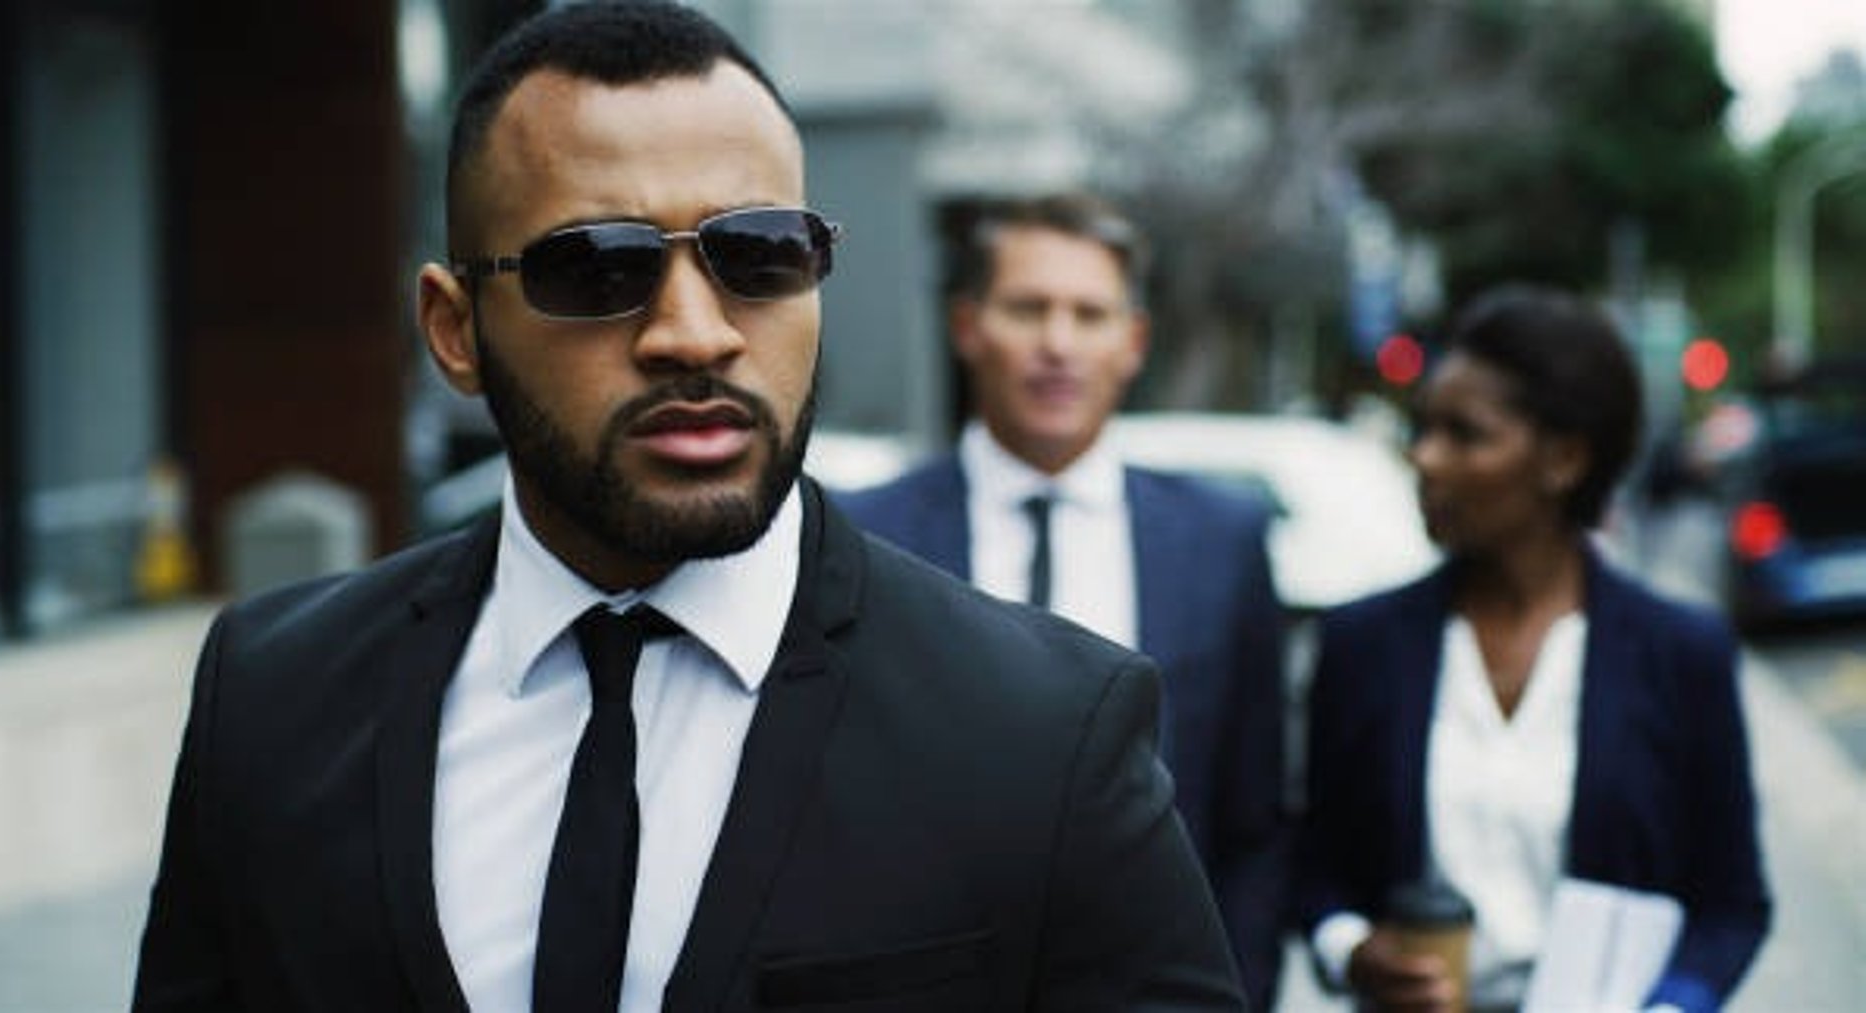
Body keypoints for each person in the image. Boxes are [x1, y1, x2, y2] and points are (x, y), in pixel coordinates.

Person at [131, 3, 1245, 1011]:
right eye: (598, 268)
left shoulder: (1046, 728)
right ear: (455, 328)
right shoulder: (274, 697)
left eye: (759, 254)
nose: (696, 332)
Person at [836, 192, 1289, 1011]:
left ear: (1134, 342)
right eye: (1028, 308)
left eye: (1089, 314)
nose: (1057, 343)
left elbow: (1255, 819)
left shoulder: (1222, 540)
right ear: (968, 325)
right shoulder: (868, 535)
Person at [1295, 285, 1771, 1012]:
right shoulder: (1363, 642)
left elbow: (1732, 903)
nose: (1425, 457)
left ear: (1565, 458)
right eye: (1422, 428)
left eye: (1466, 433)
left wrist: (1672, 1004)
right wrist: (1353, 949)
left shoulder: (1681, 652)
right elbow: (1314, 864)